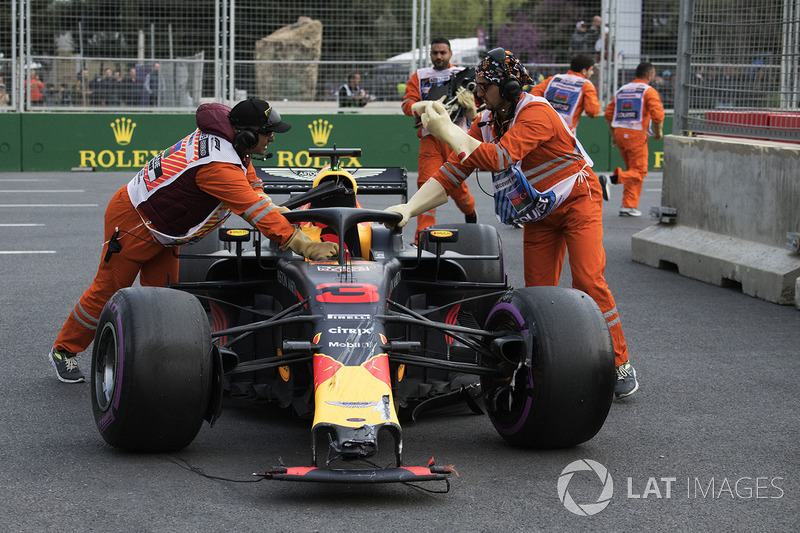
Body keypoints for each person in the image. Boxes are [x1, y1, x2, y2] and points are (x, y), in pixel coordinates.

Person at [386, 48, 639, 399]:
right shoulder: (487, 120)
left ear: (506, 87)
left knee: (588, 280)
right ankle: (546, 363)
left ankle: (620, 362)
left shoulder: (537, 111)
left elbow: (499, 157)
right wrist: (408, 209)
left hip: (579, 201)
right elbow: (453, 173)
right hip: (540, 211)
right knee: (538, 294)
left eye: (484, 86)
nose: (477, 93)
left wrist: (446, 129)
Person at [48, 98, 339, 383]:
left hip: (164, 227)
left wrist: (274, 209)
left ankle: (151, 363)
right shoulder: (218, 167)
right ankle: (65, 350)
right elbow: (255, 212)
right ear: (248, 134)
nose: (273, 138)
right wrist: (305, 244)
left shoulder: (232, 140)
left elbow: (250, 183)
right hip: (133, 223)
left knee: (161, 300)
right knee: (107, 291)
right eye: (268, 132)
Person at [401, 37, 478, 239]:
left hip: (455, 138)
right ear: (430, 54)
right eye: (435, 53)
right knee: (426, 185)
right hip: (430, 139)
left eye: (443, 53)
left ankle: (470, 212)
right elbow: (407, 105)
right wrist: (424, 105)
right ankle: (422, 237)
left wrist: (471, 107)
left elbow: (476, 114)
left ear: (450, 54)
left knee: (458, 189)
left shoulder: (465, 75)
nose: (439, 56)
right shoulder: (420, 76)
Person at [601, 62, 665, 217]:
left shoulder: (622, 89)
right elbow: (658, 116)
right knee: (640, 171)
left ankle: (628, 206)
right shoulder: (648, 91)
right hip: (636, 135)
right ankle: (611, 179)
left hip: (620, 133)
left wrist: (614, 135)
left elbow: (609, 114)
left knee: (632, 170)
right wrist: (659, 133)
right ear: (649, 74)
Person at [529, 54, 599, 136]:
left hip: (543, 128)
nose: (592, 73)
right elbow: (592, 111)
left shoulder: (553, 79)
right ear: (584, 71)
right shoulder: (586, 85)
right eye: (591, 70)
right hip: (565, 133)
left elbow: (533, 97)